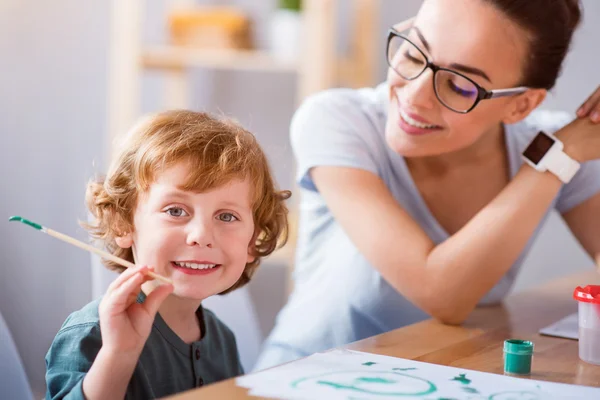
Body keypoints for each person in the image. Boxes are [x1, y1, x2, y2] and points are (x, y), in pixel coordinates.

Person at [255, 0, 600, 370]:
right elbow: (440, 294)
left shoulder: (554, 146)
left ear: (521, 105)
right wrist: (551, 163)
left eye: (457, 85)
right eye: (414, 53)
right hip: (299, 383)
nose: (415, 96)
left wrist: (556, 156)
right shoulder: (337, 120)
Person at [45, 110, 290, 399]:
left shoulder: (222, 337)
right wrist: (118, 355)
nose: (200, 235)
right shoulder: (90, 335)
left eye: (226, 216)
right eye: (176, 211)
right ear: (123, 224)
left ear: (252, 241)